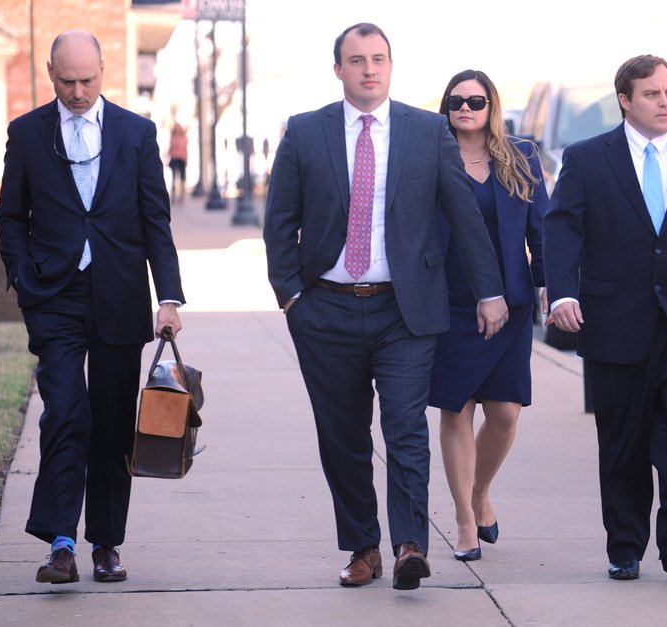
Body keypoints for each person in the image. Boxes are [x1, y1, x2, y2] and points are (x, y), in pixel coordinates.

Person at [263, 23, 508, 591]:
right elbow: (280, 221)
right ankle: (363, 548)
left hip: (405, 310)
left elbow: (463, 215)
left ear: (391, 67)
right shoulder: (305, 132)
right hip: (324, 309)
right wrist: (292, 296)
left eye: (378, 59)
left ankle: (408, 546)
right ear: (338, 70)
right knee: (343, 436)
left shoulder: (427, 131)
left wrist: (489, 290)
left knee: (405, 430)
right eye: (356, 60)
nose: (368, 69)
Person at [543, 54, 667, 581]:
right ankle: (626, 548)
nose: (665, 102)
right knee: (624, 442)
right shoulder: (587, 158)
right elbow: (563, 229)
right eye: (652, 94)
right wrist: (562, 294)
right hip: (614, 321)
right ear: (625, 101)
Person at [0, 30, 184, 585]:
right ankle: (59, 542)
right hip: (53, 296)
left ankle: (105, 543)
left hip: (120, 295)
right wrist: (24, 277)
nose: (78, 92)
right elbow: (10, 217)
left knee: (110, 421)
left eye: (88, 80)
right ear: (50, 73)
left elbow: (156, 221)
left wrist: (168, 297)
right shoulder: (27, 133)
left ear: (103, 71)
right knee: (65, 412)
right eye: (67, 80)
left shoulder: (137, 133)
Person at [429, 70, 548, 561]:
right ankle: (462, 520)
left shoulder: (520, 156)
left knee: (504, 412)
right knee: (457, 408)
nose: (465, 108)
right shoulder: (432, 155)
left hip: (511, 302)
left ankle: (480, 493)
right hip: (449, 302)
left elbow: (543, 226)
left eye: (476, 101)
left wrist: (549, 285)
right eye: (456, 100)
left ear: (490, 105)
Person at [168, 122, 188, 202]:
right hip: (174, 158)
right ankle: (173, 195)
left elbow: (185, 149)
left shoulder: (184, 138)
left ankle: (181, 196)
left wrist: (186, 159)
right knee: (173, 178)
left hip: (181, 159)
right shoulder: (172, 137)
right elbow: (170, 148)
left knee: (182, 178)